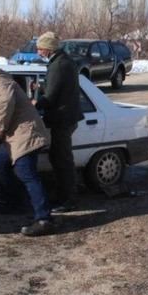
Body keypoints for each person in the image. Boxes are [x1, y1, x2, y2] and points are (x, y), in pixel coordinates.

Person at [0, 58, 55, 237]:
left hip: (25, 134)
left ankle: (44, 219)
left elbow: (6, 101)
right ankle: (15, 203)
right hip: (14, 136)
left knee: (26, 173)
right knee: (0, 164)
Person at [33, 31, 82, 214]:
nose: (38, 52)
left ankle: (69, 199)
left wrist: (36, 103)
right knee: (58, 157)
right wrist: (42, 87)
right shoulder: (63, 61)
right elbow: (57, 87)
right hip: (65, 117)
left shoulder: (58, 65)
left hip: (63, 118)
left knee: (62, 160)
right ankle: (63, 195)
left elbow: (51, 97)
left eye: (40, 48)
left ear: (48, 48)